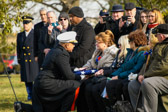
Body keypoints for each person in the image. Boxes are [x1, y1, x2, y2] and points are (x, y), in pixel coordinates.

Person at [88, 29, 147, 112]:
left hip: (132, 76)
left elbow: (135, 69)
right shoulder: (130, 52)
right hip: (125, 75)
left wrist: (118, 76)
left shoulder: (141, 54)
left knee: (118, 85)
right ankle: (112, 108)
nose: (129, 43)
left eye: (130, 41)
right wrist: (114, 75)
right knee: (106, 84)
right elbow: (123, 67)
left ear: (134, 42)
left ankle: (122, 107)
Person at [32, 31, 82, 112]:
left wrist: (76, 70)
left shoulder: (55, 50)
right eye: (73, 44)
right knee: (75, 84)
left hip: (41, 81)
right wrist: (82, 77)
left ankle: (22, 107)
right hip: (47, 83)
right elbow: (68, 76)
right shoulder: (62, 54)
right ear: (67, 45)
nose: (74, 46)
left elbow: (60, 68)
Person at [128, 24, 168, 112]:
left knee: (148, 83)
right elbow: (148, 64)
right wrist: (141, 74)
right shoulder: (158, 45)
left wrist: (146, 75)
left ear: (161, 35)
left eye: (157, 35)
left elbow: (165, 66)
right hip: (155, 77)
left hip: (165, 77)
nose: (156, 37)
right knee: (133, 85)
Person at [76, 30, 118, 112]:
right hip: (95, 75)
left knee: (90, 88)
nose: (96, 44)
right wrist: (84, 68)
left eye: (99, 42)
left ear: (105, 43)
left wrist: (91, 73)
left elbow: (106, 68)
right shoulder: (98, 51)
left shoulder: (112, 53)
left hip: (104, 77)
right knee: (83, 84)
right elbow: (91, 62)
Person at [17, 16, 38, 101]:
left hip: (33, 58)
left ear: (31, 24)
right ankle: (29, 95)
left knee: (35, 78)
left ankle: (36, 95)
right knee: (27, 79)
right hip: (24, 59)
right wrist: (19, 58)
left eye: (27, 23)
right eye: (24, 23)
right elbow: (18, 48)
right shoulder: (20, 35)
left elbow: (37, 46)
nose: (25, 25)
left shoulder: (35, 34)